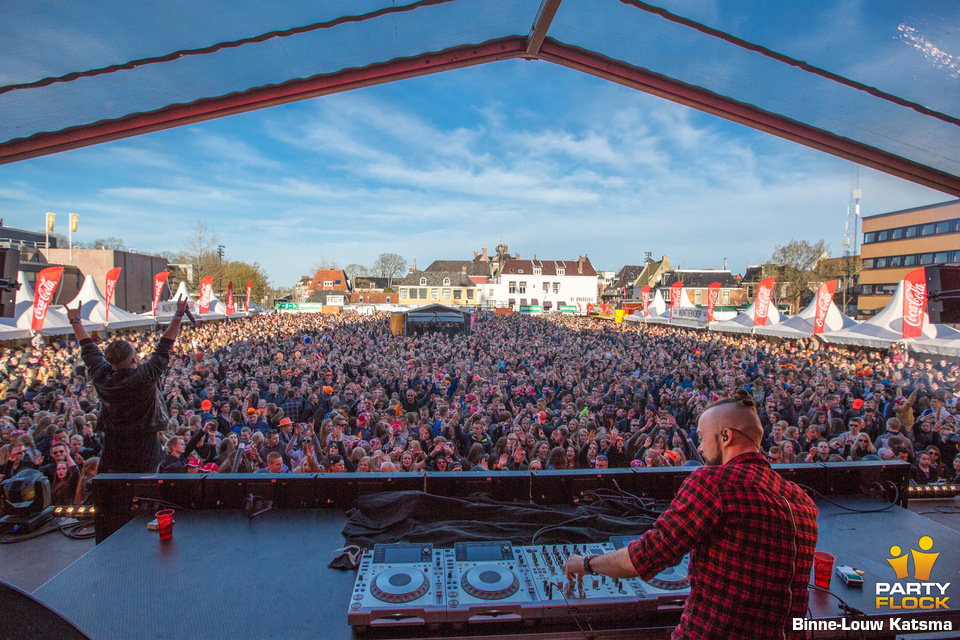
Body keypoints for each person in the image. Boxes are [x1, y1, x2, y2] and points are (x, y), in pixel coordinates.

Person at [564, 391, 819, 640]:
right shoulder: (802, 501)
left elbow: (644, 558)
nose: (699, 446)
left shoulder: (714, 482)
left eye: (701, 437)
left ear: (726, 436)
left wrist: (587, 564)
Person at [68, 299, 187, 473]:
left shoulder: (102, 376)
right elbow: (164, 347)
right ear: (133, 359)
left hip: (113, 445)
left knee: (116, 489)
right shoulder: (144, 377)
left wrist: (75, 321)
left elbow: (88, 349)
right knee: (145, 490)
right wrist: (178, 314)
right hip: (145, 446)